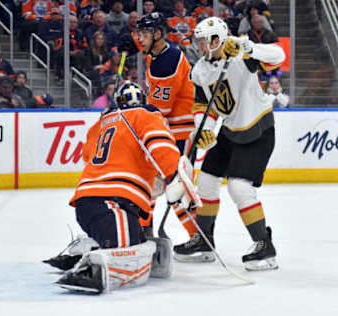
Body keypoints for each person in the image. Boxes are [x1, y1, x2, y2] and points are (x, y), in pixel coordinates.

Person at [50, 81, 191, 293]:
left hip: (90, 200)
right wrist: (174, 176)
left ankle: (90, 246)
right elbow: (160, 144)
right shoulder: (146, 115)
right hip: (112, 201)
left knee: (135, 235)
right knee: (131, 250)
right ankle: (92, 267)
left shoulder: (102, 123)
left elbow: (87, 154)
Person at [174, 17, 284, 271]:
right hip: (229, 130)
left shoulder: (241, 54)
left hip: (258, 128)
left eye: (203, 41)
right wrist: (205, 129)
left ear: (217, 39)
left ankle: (264, 246)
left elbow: (278, 56)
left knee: (239, 188)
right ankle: (204, 241)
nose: (199, 46)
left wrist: (247, 46)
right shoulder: (200, 70)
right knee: (206, 182)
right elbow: (205, 107)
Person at [119, 12, 197, 238]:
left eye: (144, 34)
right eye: (138, 34)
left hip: (178, 134)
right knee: (151, 183)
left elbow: (158, 111)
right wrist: (129, 43)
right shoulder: (160, 52)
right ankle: (145, 231)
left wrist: (130, 112)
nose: (140, 39)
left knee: (176, 188)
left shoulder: (166, 62)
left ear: (158, 34)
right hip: (169, 131)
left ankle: (198, 237)